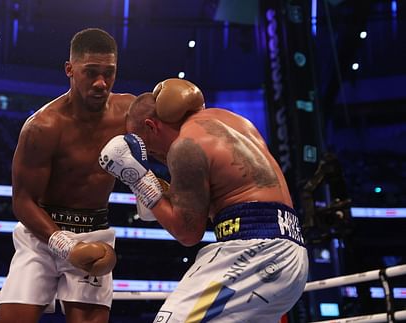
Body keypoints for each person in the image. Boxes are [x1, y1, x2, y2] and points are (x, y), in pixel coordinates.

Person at [99, 78, 308, 322]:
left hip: (255, 251)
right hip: (289, 252)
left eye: (151, 150)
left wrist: (139, 180)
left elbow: (188, 233)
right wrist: (158, 191)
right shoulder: (228, 120)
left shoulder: (185, 146)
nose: (156, 157)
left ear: (151, 126)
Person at [0, 28, 135, 323]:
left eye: (109, 73)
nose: (101, 83)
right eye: (91, 73)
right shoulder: (43, 127)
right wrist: (64, 243)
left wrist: (149, 187)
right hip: (42, 237)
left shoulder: (128, 113)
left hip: (95, 235)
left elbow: (170, 134)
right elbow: (22, 201)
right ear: (70, 70)